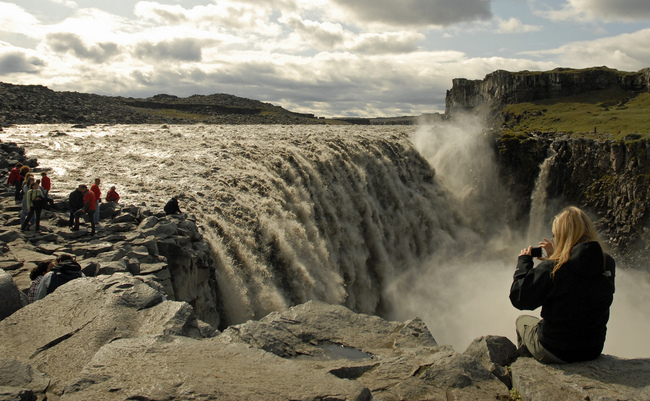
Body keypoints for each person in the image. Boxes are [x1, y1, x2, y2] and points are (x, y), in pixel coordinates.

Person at [510, 206, 616, 364]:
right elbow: (578, 284)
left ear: (563, 235)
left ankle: (526, 364)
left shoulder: (555, 268)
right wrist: (554, 256)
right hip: (593, 348)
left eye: (555, 234)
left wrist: (524, 262)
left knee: (522, 321)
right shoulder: (607, 263)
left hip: (556, 349)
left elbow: (519, 297)